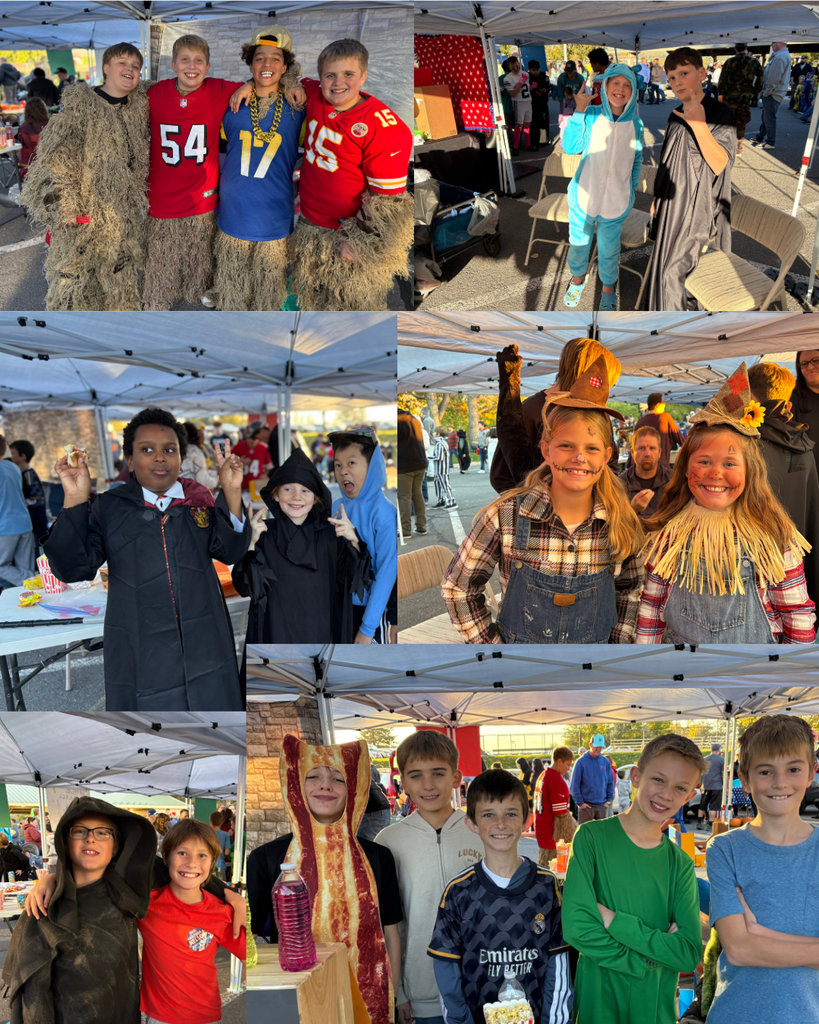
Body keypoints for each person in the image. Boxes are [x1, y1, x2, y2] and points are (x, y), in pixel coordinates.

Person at [43, 407, 250, 709]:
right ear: (130, 460)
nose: (159, 457)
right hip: (140, 639)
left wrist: (231, 490)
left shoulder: (198, 500)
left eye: (169, 449)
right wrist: (76, 498)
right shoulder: (111, 507)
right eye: (146, 449)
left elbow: (229, 551)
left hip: (203, 634)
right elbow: (74, 568)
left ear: (181, 457)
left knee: (213, 715)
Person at [443, 357, 645, 644]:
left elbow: (630, 590)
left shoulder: (621, 522)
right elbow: (458, 587)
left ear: (607, 457)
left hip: (591, 672)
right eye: (566, 446)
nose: (579, 457)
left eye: (591, 448)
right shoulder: (505, 517)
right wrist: (492, 651)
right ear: (546, 451)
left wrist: (616, 647)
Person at [6, 796, 244, 1024]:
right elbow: (33, 993)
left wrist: (226, 892)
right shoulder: (46, 904)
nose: (91, 839)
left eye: (102, 832)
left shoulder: (131, 889)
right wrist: (52, 878)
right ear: (65, 843)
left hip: (127, 1014)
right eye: (79, 831)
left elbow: (187, 868)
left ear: (116, 846)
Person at [637, 364, 816, 644]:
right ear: (685, 468)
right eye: (704, 462)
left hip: (754, 677)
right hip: (682, 675)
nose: (715, 473)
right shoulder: (671, 532)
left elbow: (797, 614)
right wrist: (647, 668)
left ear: (751, 471)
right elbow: (651, 606)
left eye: (730, 463)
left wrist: (788, 679)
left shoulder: (772, 535)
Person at [247, 736, 402, 1024]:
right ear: (294, 785)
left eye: (338, 778)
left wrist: (397, 996)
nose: (325, 785)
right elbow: (252, 939)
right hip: (299, 999)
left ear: (355, 786)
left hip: (372, 998)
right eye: (313, 776)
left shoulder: (379, 857)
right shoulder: (266, 859)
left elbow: (390, 933)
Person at [562, 734, 705, 1024]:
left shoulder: (679, 864)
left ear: (690, 796)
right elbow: (577, 928)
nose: (666, 794)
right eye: (658, 780)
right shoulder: (590, 838)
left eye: (680, 787)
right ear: (636, 776)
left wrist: (614, 921)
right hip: (598, 1003)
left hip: (654, 1008)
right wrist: (649, 959)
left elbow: (688, 953)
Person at [428, 769, 572, 1024]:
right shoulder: (458, 891)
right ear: (471, 823)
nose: (501, 824)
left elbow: (558, 965)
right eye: (488, 815)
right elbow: (446, 969)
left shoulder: (547, 885)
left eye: (510, 814)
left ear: (527, 820)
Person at [285, 37, 413, 311]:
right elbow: (289, 75)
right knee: (311, 300)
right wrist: (288, 83)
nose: (338, 82)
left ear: (363, 76)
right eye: (330, 75)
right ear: (320, 78)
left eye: (348, 74)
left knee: (350, 308)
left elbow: (388, 202)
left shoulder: (385, 128)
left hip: (347, 233)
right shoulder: (316, 94)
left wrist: (360, 241)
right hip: (310, 223)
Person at [706, 715, 819, 1022]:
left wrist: (759, 932)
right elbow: (740, 949)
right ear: (744, 777)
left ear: (811, 772)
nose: (780, 782)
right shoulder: (724, 849)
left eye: (793, 769)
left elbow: (748, 942)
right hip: (735, 1014)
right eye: (766, 771)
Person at [21, 43, 147, 310]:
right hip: (83, 220)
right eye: (122, 63)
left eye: (136, 66)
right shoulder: (82, 108)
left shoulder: (138, 106)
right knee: (75, 292)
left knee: (120, 289)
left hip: (122, 220)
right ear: (105, 68)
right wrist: (66, 209)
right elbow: (54, 160)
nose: (130, 70)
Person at [376, 731, 482, 1024]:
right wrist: (398, 992)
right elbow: (386, 924)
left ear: (456, 777)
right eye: (416, 775)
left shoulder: (481, 832)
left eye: (438, 773)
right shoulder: (388, 841)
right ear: (403, 782)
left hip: (481, 985)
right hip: (419, 995)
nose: (428, 785)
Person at [232, 447, 367, 643]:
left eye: (305, 490)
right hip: (275, 634)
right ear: (276, 495)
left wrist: (354, 540)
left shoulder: (332, 536)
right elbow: (245, 588)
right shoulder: (262, 534)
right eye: (288, 489)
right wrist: (250, 544)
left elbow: (354, 582)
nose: (297, 497)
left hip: (322, 633)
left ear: (316, 498)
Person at [213, 27, 306, 310]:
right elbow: (218, 155)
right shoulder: (232, 103)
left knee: (268, 292)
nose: (267, 65)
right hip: (233, 213)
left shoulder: (297, 106)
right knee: (232, 288)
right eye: (259, 58)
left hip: (274, 216)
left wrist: (294, 83)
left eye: (275, 58)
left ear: (286, 66)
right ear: (250, 64)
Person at [641, 47, 736, 311]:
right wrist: (656, 199)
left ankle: (674, 332)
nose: (677, 81)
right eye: (671, 77)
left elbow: (720, 164)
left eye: (684, 73)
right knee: (666, 269)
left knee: (674, 274)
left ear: (702, 74)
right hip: (671, 205)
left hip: (698, 210)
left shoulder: (720, 113)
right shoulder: (674, 114)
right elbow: (667, 162)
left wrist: (699, 125)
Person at [139, 817, 247, 1024]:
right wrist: (57, 877)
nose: (192, 863)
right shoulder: (147, 904)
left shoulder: (223, 913)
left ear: (213, 862)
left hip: (205, 1017)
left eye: (202, 855)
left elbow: (250, 958)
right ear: (166, 857)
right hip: (160, 1017)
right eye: (182, 853)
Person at [562, 64, 643, 311]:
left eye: (627, 84)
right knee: (578, 244)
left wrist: (630, 191)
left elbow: (636, 159)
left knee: (609, 249)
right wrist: (579, 111)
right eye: (615, 83)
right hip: (584, 196)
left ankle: (609, 287)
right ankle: (577, 279)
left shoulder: (636, 125)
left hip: (616, 202)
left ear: (634, 90)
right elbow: (570, 146)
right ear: (605, 86)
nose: (620, 89)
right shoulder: (591, 114)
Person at [748, 362, 819, 607]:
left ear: (749, 397)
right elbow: (813, 518)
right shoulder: (806, 447)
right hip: (796, 575)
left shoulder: (743, 446)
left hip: (751, 575)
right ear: (788, 404)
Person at [330, 427, 397, 644]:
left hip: (372, 612)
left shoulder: (384, 512)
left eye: (351, 463)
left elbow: (387, 572)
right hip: (339, 607)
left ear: (372, 466)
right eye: (338, 465)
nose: (343, 471)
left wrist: (367, 629)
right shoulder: (336, 506)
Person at [0, 435, 36, 589]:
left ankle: (34, 580)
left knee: (2, 566)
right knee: (24, 567)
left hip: (5, 525)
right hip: (24, 522)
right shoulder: (13, 467)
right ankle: (32, 584)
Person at [719, 42, 763, 154]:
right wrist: (754, 92)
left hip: (729, 97)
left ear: (735, 48)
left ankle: (727, 146)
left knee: (727, 121)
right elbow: (761, 78)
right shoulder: (754, 62)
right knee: (741, 121)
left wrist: (721, 93)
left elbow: (722, 79)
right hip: (745, 97)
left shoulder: (729, 61)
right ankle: (739, 147)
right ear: (746, 48)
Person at [534, 745, 575, 866]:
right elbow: (561, 813)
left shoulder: (542, 776)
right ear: (559, 761)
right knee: (555, 871)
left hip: (541, 830)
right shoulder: (556, 780)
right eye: (567, 765)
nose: (569, 768)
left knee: (543, 866)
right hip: (552, 834)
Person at [618, 425, 672, 518]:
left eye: (652, 448)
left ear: (659, 453)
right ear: (632, 453)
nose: (647, 454)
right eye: (641, 448)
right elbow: (615, 526)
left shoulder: (673, 480)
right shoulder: (619, 485)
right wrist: (633, 509)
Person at [7, 439, 48, 553]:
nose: (11, 456)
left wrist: (21, 505)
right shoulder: (20, 474)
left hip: (37, 521)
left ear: (23, 456)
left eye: (13, 453)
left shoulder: (29, 475)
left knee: (39, 545)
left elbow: (37, 499)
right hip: (30, 521)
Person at [752, 41, 791, 150]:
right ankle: (760, 137)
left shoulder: (779, 57)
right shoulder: (781, 56)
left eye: (773, 43)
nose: (771, 45)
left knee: (769, 119)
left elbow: (774, 78)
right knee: (766, 117)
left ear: (780, 43)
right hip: (774, 92)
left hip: (773, 93)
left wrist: (767, 91)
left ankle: (770, 142)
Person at [397, 405, 428, 539]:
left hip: (405, 464)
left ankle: (405, 530)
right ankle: (421, 527)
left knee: (404, 497)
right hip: (420, 461)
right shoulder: (414, 419)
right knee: (417, 494)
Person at [570, 735, 614, 824]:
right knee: (585, 834)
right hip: (586, 807)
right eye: (596, 746)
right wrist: (580, 803)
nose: (598, 749)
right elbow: (574, 785)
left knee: (601, 834)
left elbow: (610, 782)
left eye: (601, 747)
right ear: (590, 745)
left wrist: (608, 800)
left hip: (602, 806)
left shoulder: (605, 762)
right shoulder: (580, 762)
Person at [634, 394, 684, 469]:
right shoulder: (665, 417)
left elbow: (634, 444)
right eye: (663, 402)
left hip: (642, 467)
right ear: (658, 405)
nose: (665, 404)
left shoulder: (640, 421)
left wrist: (630, 464)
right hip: (662, 468)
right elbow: (681, 439)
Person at [793, 350, 819, 477]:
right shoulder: (791, 400)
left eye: (815, 360)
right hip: (809, 480)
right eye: (803, 363)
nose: (810, 367)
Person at [233, 420, 274, 501]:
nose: (252, 440)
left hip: (257, 488)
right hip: (241, 487)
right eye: (250, 437)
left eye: (254, 438)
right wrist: (238, 461)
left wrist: (264, 477)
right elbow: (226, 463)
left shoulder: (264, 448)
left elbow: (269, 468)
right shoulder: (237, 447)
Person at [501, 55, 533, 155]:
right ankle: (515, 147)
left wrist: (532, 87)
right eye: (513, 67)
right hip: (518, 102)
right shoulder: (508, 78)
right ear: (509, 68)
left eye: (517, 66)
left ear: (519, 64)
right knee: (518, 125)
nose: (516, 69)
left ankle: (528, 144)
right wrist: (519, 84)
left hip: (528, 101)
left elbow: (526, 90)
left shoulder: (525, 73)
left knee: (527, 123)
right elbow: (513, 94)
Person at [358, 762, 393, 842]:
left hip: (374, 812)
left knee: (365, 844)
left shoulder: (359, 773)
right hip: (378, 810)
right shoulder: (365, 771)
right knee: (373, 843)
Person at [179, 421, 218, 489]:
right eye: (200, 435)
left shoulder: (174, 449)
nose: (203, 438)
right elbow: (203, 480)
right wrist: (216, 480)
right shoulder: (195, 451)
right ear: (195, 435)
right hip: (190, 493)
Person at [16, 97, 49, 179]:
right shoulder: (52, 124)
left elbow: (22, 145)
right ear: (43, 109)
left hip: (31, 163)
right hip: (50, 160)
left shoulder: (23, 127)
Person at [698, 742, 724, 831]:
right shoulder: (721, 760)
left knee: (702, 805)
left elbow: (699, 773)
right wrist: (725, 785)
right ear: (719, 750)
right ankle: (710, 824)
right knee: (713, 806)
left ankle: (699, 823)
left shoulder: (705, 759)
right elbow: (723, 773)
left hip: (705, 786)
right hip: (716, 786)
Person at [431, 424, 457, 510]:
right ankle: (441, 500)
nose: (433, 433)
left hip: (442, 469)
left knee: (445, 485)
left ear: (438, 434)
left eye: (434, 432)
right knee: (437, 483)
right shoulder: (442, 442)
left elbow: (439, 457)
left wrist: (428, 457)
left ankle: (451, 501)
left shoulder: (440, 444)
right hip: (440, 469)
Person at [528, 59, 550, 147]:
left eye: (537, 70)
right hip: (532, 104)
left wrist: (544, 90)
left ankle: (543, 141)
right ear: (529, 69)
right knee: (534, 123)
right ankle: (534, 142)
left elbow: (548, 87)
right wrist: (534, 93)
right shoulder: (527, 78)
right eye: (534, 70)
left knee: (544, 122)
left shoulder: (543, 76)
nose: (536, 72)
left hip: (543, 103)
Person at [209, 810, 231, 880]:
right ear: (221, 822)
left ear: (211, 822)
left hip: (209, 864)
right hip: (221, 864)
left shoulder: (207, 834)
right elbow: (227, 852)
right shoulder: (225, 834)